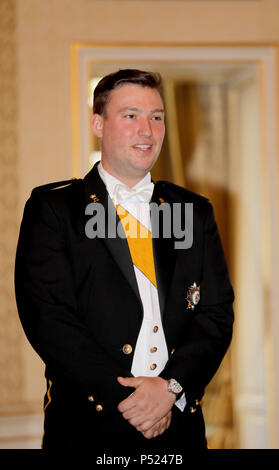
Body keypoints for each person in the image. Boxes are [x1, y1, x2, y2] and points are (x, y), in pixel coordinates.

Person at [15, 69, 234, 453]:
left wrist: (170, 389)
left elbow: (215, 314)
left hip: (178, 424)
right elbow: (48, 318)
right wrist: (134, 402)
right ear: (98, 124)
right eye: (130, 115)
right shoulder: (56, 209)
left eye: (157, 116)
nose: (147, 130)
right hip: (89, 426)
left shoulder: (193, 211)